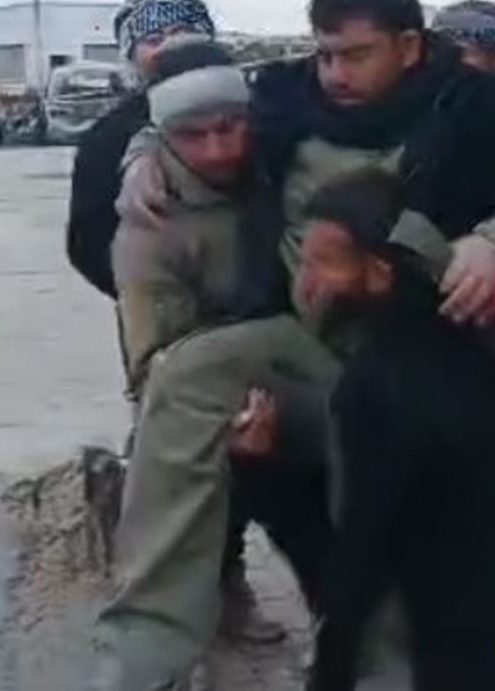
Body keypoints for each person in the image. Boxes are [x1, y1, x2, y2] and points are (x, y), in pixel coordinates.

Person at [98, 0, 495, 691]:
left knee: (394, 507)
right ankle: (145, 658)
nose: (335, 74)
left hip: (436, 359)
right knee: (185, 376)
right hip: (306, 344)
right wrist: (146, 149)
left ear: (410, 46)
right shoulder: (286, 97)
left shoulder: (486, 108)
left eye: (356, 54)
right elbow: (189, 104)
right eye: (325, 53)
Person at [290, 170, 495, 691]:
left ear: (378, 273)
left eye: (324, 262)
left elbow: (365, 546)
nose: (306, 281)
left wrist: (330, 674)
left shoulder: (379, 382)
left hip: (489, 652)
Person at [110, 39, 332, 619]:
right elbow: (156, 366)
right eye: (193, 135)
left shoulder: (282, 158)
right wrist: (234, 425)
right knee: (236, 470)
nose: (218, 150)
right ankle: (210, 601)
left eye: (231, 127)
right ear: (165, 135)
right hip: (232, 393)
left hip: (325, 365)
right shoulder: (151, 226)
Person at [67, 0, 218, 299]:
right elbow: (87, 243)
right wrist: (148, 289)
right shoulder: (107, 137)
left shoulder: (253, 106)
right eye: (153, 39)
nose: (171, 45)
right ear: (131, 55)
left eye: (183, 31)